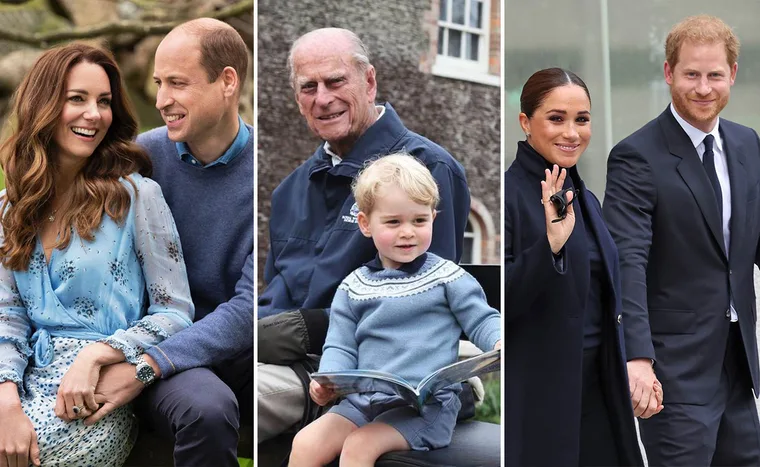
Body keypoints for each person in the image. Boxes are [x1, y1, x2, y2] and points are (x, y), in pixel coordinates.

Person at [257, 27, 470, 442]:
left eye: (336, 81)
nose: (323, 98)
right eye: (308, 87)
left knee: (239, 395)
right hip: (284, 359)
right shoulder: (289, 192)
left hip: (369, 372)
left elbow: (427, 304)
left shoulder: (428, 168)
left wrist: (304, 328)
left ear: (369, 81)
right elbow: (273, 301)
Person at [0, 43, 193, 467]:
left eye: (104, 102)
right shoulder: (9, 208)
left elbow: (175, 310)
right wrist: (7, 404)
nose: (94, 114)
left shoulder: (137, 197)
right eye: (77, 99)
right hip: (21, 384)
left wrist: (99, 354)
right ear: (43, 106)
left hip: (96, 395)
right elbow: (7, 316)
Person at [81, 18, 254, 466]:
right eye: (158, 83)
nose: (161, 100)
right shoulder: (143, 157)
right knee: (207, 411)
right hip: (153, 343)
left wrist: (149, 365)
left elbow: (250, 306)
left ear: (227, 82)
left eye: (177, 83)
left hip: (231, 349)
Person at [603, 15, 760, 465]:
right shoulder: (637, 156)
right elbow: (627, 261)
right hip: (673, 373)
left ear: (732, 73)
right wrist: (637, 358)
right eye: (691, 74)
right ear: (669, 73)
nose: (704, 87)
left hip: (737, 365)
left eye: (714, 75)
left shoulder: (748, 145)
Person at [287, 153, 500, 466]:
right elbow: (340, 346)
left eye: (419, 220)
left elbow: (482, 319)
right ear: (365, 223)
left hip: (427, 408)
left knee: (360, 445)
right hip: (365, 401)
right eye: (393, 222)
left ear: (433, 218)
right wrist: (328, 382)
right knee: (306, 442)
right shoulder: (354, 286)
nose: (407, 232)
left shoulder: (447, 277)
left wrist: (497, 340)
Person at [505, 68, 648, 467]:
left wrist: (636, 359)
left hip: (600, 393)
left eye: (581, 119)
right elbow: (500, 302)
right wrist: (549, 245)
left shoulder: (584, 197)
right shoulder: (510, 195)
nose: (572, 132)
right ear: (525, 122)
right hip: (541, 403)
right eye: (556, 118)